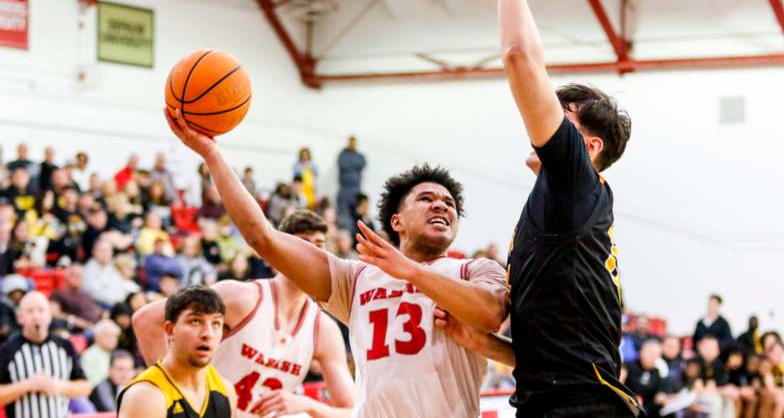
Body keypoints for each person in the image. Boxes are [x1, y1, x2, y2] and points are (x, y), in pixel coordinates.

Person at [164, 107, 508, 418]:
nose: (441, 206)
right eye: (426, 199)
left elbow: (491, 314)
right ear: (396, 221)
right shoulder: (356, 279)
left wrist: (411, 271)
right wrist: (211, 155)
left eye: (449, 204)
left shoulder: (475, 269)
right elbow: (262, 237)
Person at [435, 0, 637, 417]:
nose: (545, 112)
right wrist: (482, 344)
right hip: (558, 400)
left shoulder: (575, 182)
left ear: (588, 146)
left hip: (582, 408)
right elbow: (553, 354)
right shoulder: (559, 206)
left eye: (563, 111)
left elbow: (520, 55)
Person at [134, 210, 355, 417]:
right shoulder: (241, 297)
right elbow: (146, 321)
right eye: (303, 244)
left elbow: (352, 411)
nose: (312, 253)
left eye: (319, 245)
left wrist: (307, 404)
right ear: (279, 251)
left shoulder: (323, 329)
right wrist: (177, 394)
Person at [117, 286, 234, 418]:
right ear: (170, 330)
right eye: (195, 321)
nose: (208, 333)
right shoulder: (146, 398)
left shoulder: (226, 391)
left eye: (216, 323)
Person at [0, 291, 91, 418]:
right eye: (30, 311)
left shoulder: (65, 346)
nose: (36, 316)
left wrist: (58, 386)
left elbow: (85, 387)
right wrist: (27, 385)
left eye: (41, 310)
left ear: (49, 315)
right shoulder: (6, 350)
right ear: (20, 317)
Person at [336, 136, 366, 230]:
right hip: (344, 188)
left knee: (356, 214)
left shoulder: (360, 156)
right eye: (351, 142)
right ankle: (344, 234)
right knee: (344, 214)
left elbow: (362, 164)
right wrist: (354, 165)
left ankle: (354, 233)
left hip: (356, 189)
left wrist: (350, 164)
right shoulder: (342, 154)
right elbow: (343, 164)